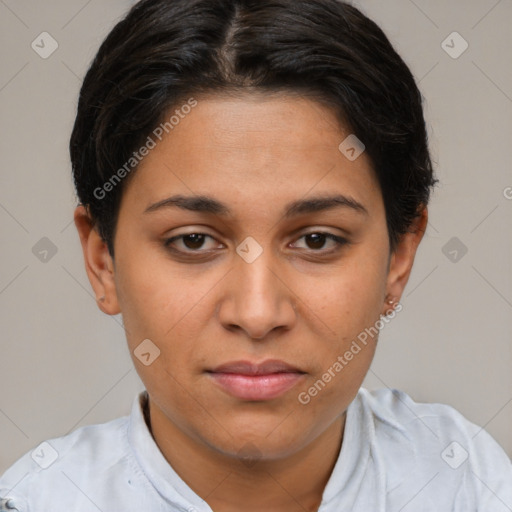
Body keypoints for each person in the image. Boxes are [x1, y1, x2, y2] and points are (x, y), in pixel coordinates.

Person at [1, 0, 511, 510]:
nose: (258, 313)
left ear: (398, 259)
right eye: (193, 240)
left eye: (317, 240)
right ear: (102, 262)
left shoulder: (464, 482)